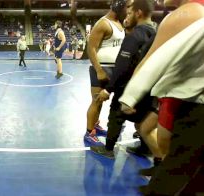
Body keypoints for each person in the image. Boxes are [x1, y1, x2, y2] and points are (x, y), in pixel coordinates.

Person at [119, 0, 204, 194]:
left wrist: (130, 94)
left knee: (174, 164)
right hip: (182, 97)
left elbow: (157, 57)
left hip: (185, 100)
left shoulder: (187, 14)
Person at [90, 0, 161, 162]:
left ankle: (108, 149)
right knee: (143, 119)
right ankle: (145, 148)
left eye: (130, 13)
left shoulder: (134, 37)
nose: (127, 16)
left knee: (116, 114)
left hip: (130, 87)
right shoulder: (157, 32)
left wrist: (109, 89)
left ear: (138, 13)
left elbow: (122, 67)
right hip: (150, 88)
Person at [84, 0, 127, 145]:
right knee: (97, 101)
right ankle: (89, 133)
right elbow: (91, 48)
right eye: (126, 8)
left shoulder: (119, 23)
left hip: (115, 69)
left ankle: (95, 125)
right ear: (119, 7)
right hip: (102, 68)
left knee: (104, 101)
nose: (128, 11)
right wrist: (99, 70)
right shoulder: (103, 23)